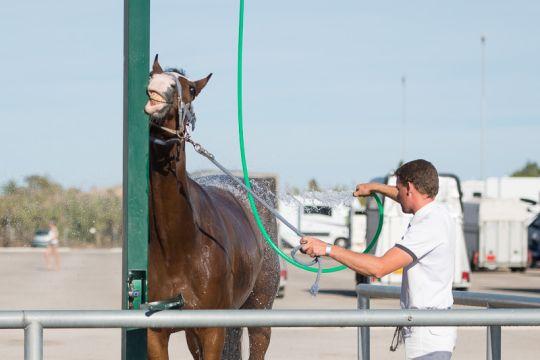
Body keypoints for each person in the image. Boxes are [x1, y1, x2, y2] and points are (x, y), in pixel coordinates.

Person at [300, 159, 456, 360]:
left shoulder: (429, 225)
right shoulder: (438, 212)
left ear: (409, 188)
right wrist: (374, 188)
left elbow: (379, 268)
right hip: (430, 328)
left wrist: (327, 248)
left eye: (398, 188)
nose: (396, 193)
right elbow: (402, 196)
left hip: (427, 332)